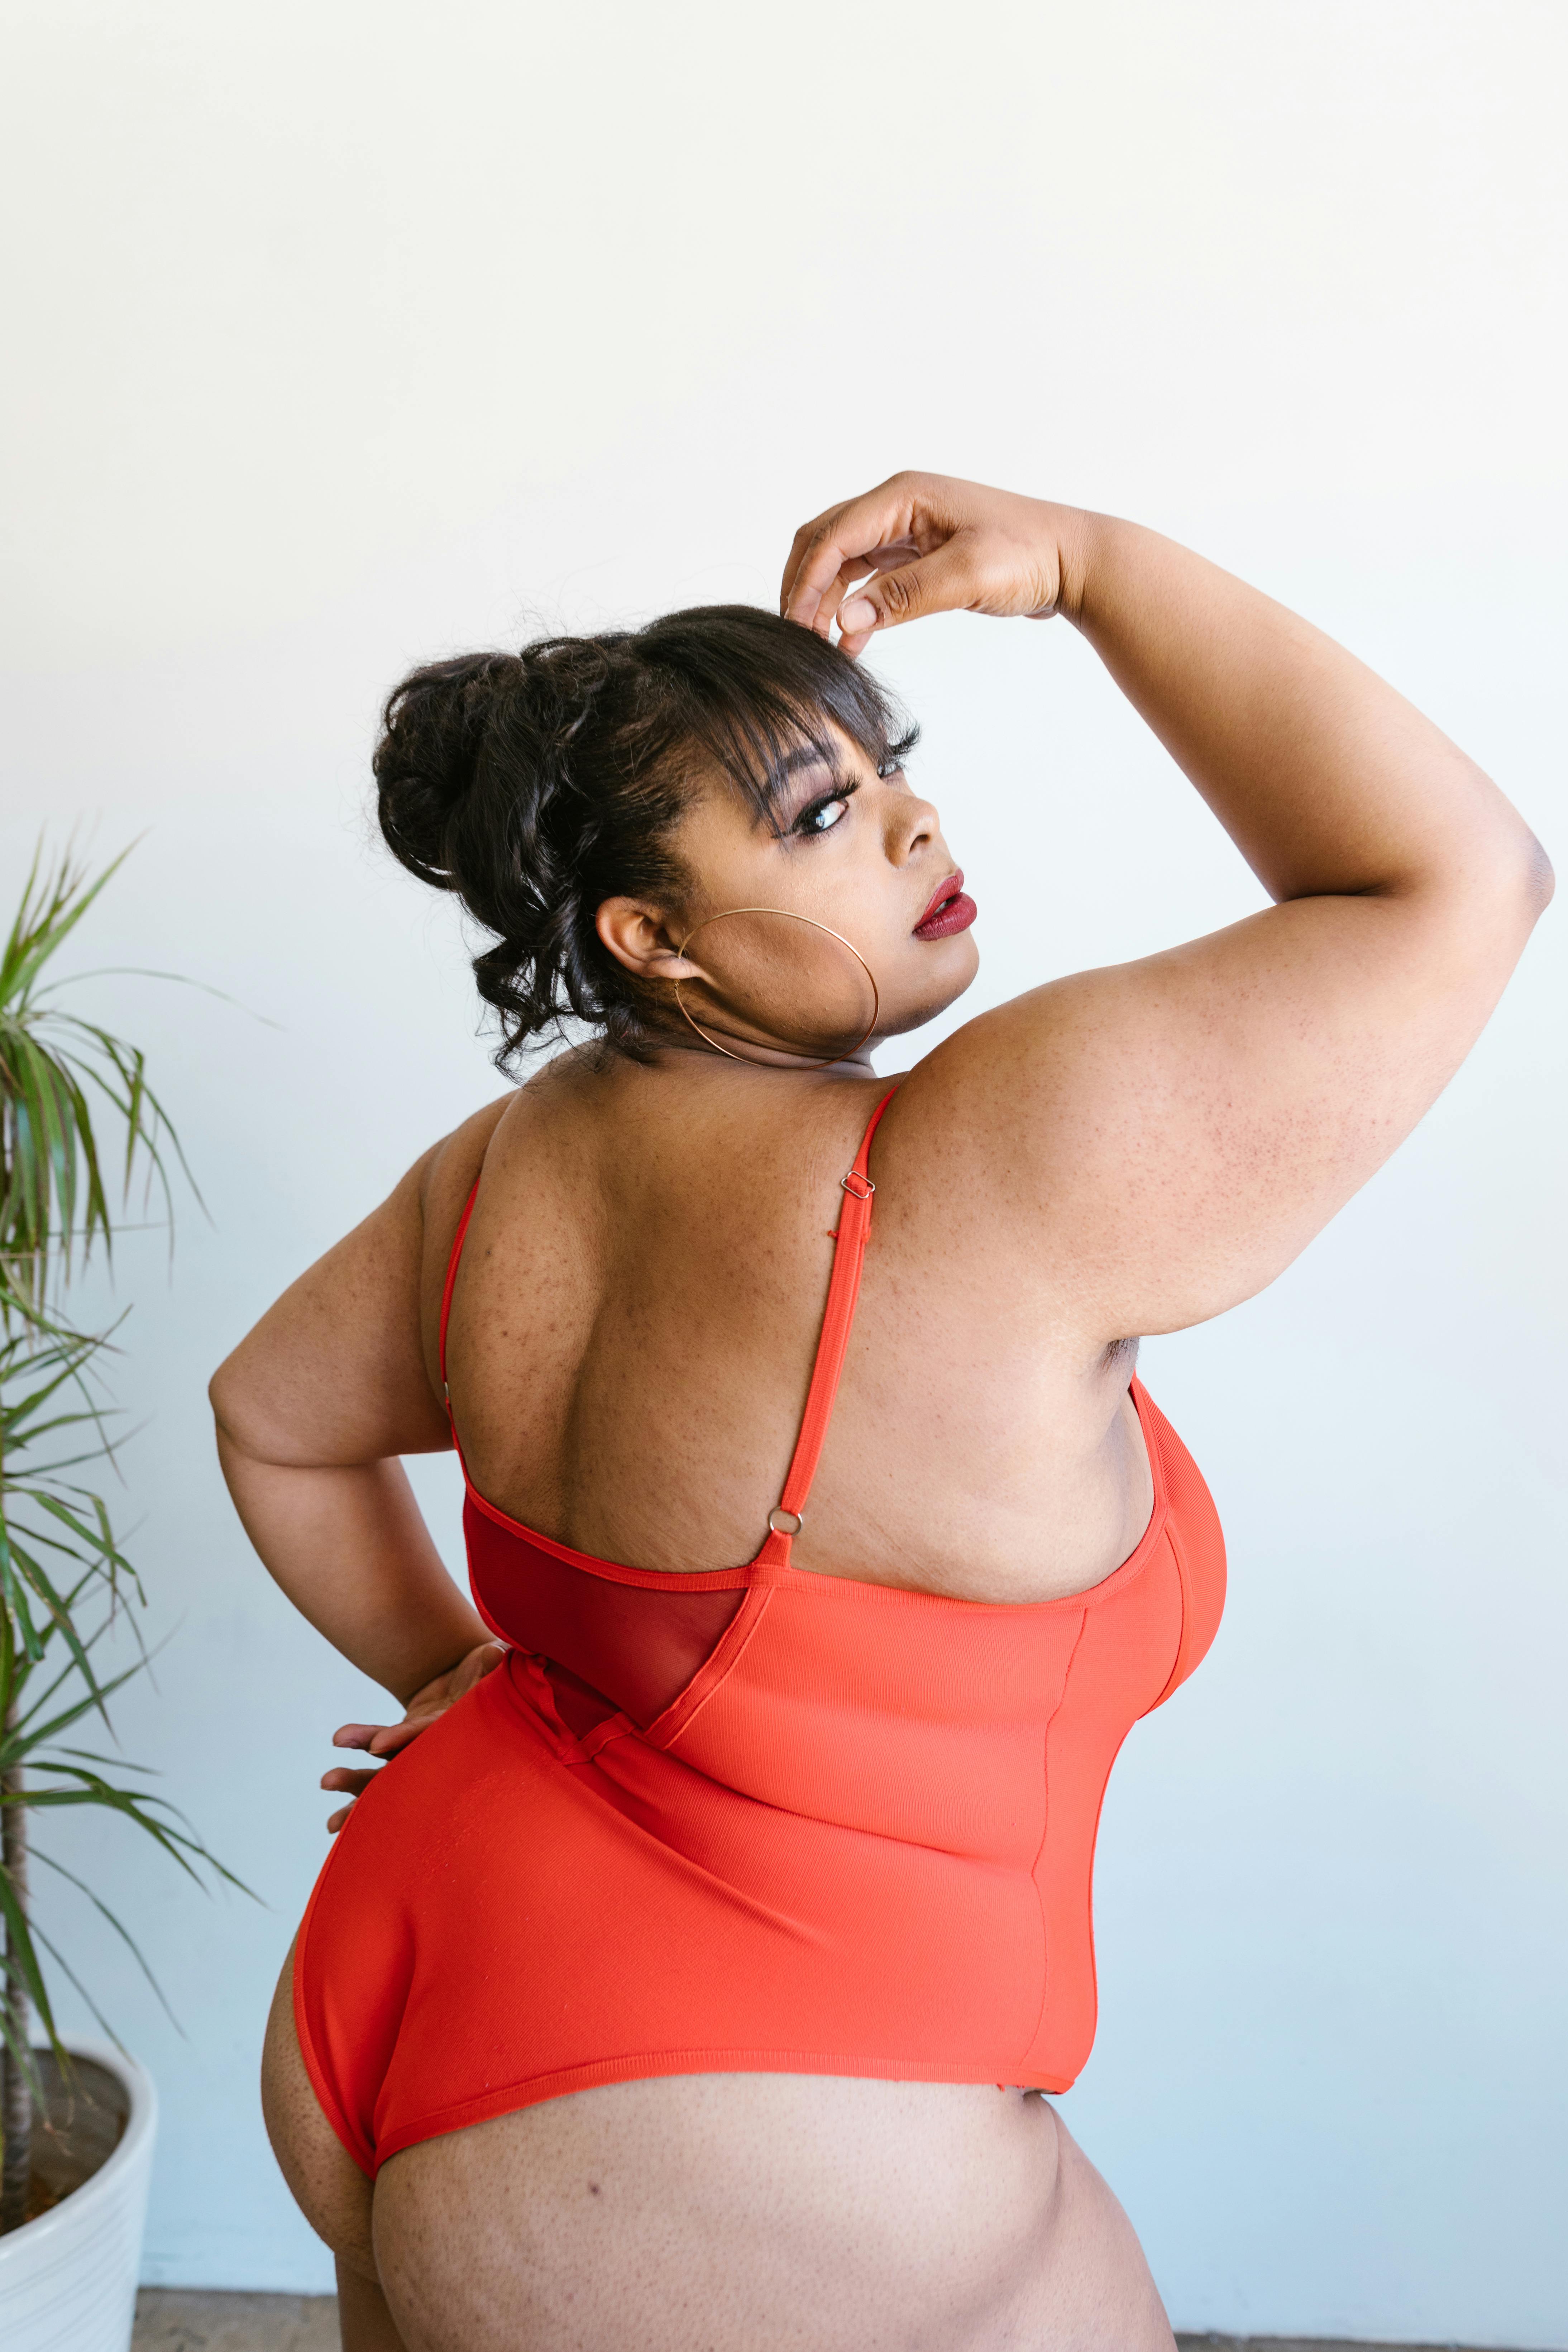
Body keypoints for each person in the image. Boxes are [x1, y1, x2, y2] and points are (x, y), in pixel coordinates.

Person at [210, 474, 1551, 2352]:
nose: (916, 817)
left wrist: (450, 1673)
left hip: (409, 1998)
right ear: (650, 936)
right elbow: (1450, 878)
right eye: (823, 814)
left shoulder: (494, 1177)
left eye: (883, 767)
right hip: (728, 2157)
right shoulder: (986, 1160)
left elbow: (268, 1418)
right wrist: (1085, 568)